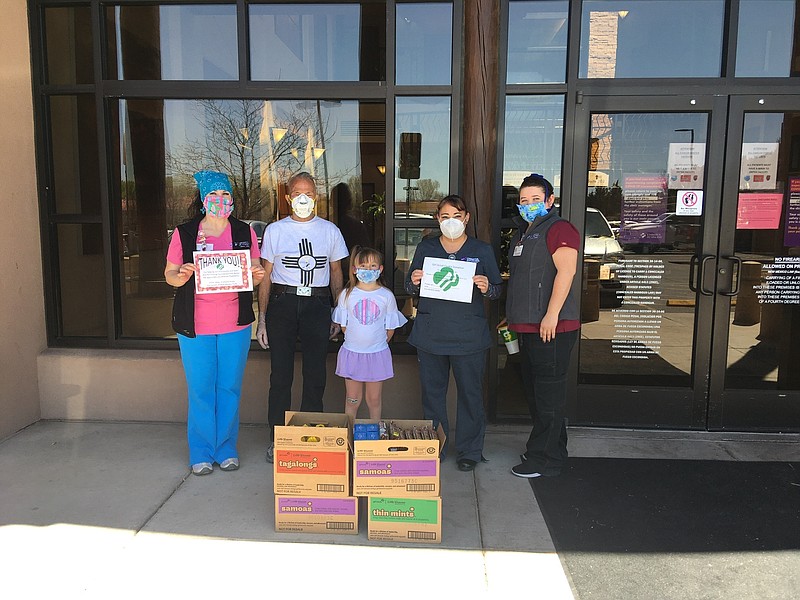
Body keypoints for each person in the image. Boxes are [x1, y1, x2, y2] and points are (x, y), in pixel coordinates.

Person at [164, 170, 266, 476]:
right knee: (200, 388)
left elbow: (255, 265)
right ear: (203, 200)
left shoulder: (243, 232)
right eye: (213, 196)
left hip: (235, 324)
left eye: (225, 196)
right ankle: (201, 451)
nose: (220, 201)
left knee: (230, 387)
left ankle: (226, 448)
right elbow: (169, 274)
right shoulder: (184, 234)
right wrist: (180, 276)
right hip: (196, 326)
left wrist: (257, 273)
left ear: (232, 200)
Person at [405, 195, 503, 472]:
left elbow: (497, 289)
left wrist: (486, 287)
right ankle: (435, 447)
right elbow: (410, 286)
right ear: (438, 219)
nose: (451, 222)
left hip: (468, 336)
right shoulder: (426, 248)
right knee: (432, 396)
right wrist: (413, 281)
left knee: (471, 395)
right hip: (431, 334)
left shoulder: (481, 250)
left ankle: (470, 451)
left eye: (457, 216)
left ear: (466, 218)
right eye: (445, 216)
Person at [257, 172, 349, 463]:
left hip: (318, 303)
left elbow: (336, 272)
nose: (303, 199)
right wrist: (262, 318)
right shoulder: (275, 230)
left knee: (315, 374)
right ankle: (278, 437)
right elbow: (266, 276)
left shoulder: (330, 230)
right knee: (280, 374)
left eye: (308, 193)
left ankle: (311, 434)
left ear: (316, 197)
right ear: (287, 197)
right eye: (297, 193)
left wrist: (338, 310)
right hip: (283, 302)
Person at [505, 173, 580, 479]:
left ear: (550, 200)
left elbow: (566, 272)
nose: (529, 205)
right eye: (524, 200)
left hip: (553, 328)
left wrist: (551, 314)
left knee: (548, 396)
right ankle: (553, 448)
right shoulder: (523, 234)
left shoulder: (559, 229)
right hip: (528, 327)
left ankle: (544, 460)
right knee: (538, 394)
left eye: (536, 199)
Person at [333, 246, 407, 420]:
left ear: (380, 269)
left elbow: (390, 328)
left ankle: (373, 437)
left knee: (374, 399)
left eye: (373, 266)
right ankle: (349, 437)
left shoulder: (386, 296)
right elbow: (344, 326)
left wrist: (377, 344)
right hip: (352, 354)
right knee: (352, 400)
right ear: (354, 269)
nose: (368, 270)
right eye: (363, 266)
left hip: (377, 355)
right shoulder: (346, 295)